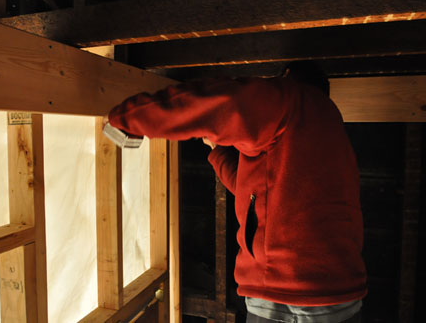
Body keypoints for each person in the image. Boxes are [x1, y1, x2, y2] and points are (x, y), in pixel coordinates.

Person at [106, 61, 367, 323]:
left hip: (284, 288)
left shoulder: (289, 98)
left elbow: (224, 101)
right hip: (340, 293)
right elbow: (256, 191)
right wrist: (218, 153)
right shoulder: (329, 129)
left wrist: (129, 119)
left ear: (287, 77)